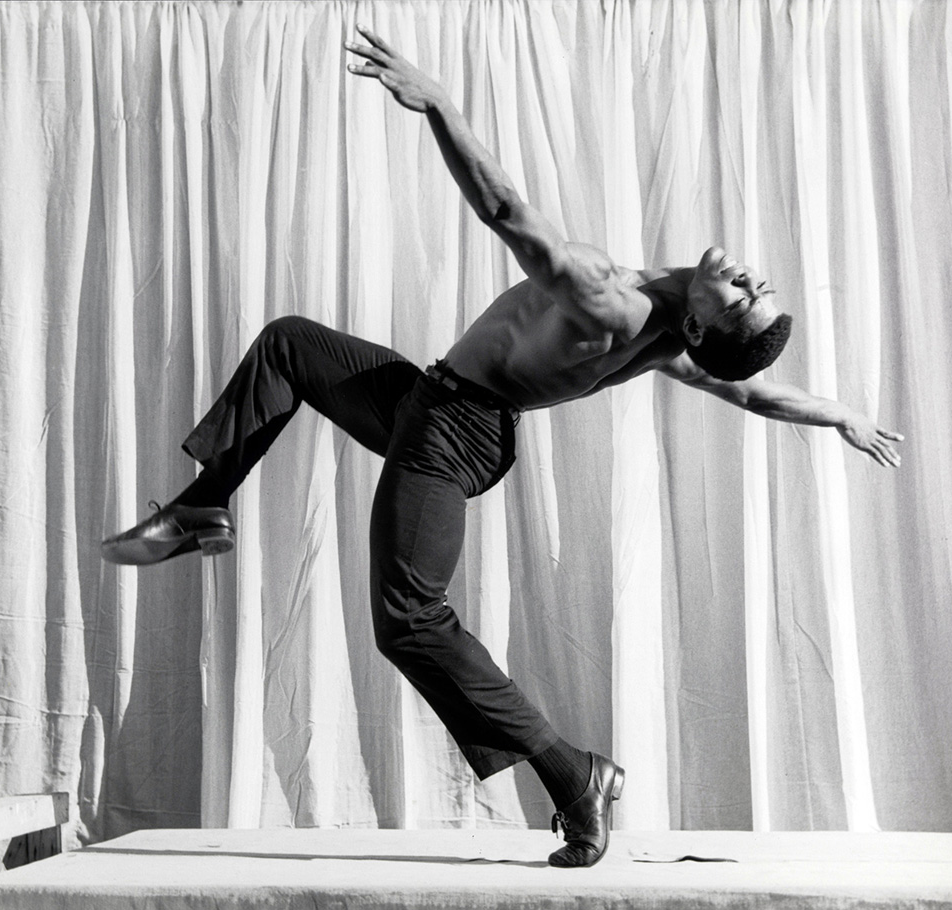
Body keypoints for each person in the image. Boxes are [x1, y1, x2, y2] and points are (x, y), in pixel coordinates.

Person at [103, 27, 903, 867]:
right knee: (290, 345)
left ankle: (573, 776)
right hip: (433, 405)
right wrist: (838, 412)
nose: (748, 276)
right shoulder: (671, 337)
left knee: (409, 622)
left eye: (743, 296)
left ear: (705, 321)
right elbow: (753, 392)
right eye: (757, 285)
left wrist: (439, 104)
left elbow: (508, 212)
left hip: (454, 429)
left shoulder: (611, 302)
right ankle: (202, 506)